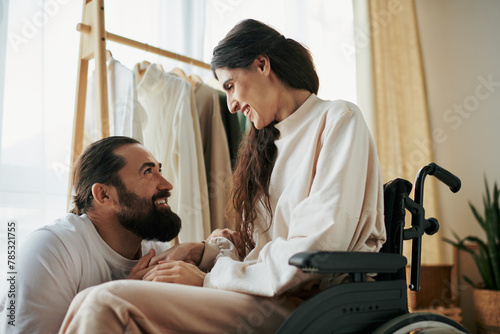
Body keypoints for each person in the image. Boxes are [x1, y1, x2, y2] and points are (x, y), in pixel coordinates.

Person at [59, 19, 386, 334]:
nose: (230, 105)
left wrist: (208, 279)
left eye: (230, 86)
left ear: (262, 65)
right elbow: (264, 249)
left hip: (309, 302)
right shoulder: (267, 144)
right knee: (93, 298)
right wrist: (207, 253)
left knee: (107, 302)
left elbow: (316, 248)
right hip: (263, 293)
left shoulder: (337, 119)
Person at [0, 136, 182, 334]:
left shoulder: (157, 252)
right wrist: (124, 297)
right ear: (104, 195)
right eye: (147, 172)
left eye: (159, 170)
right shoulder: (50, 250)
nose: (166, 184)